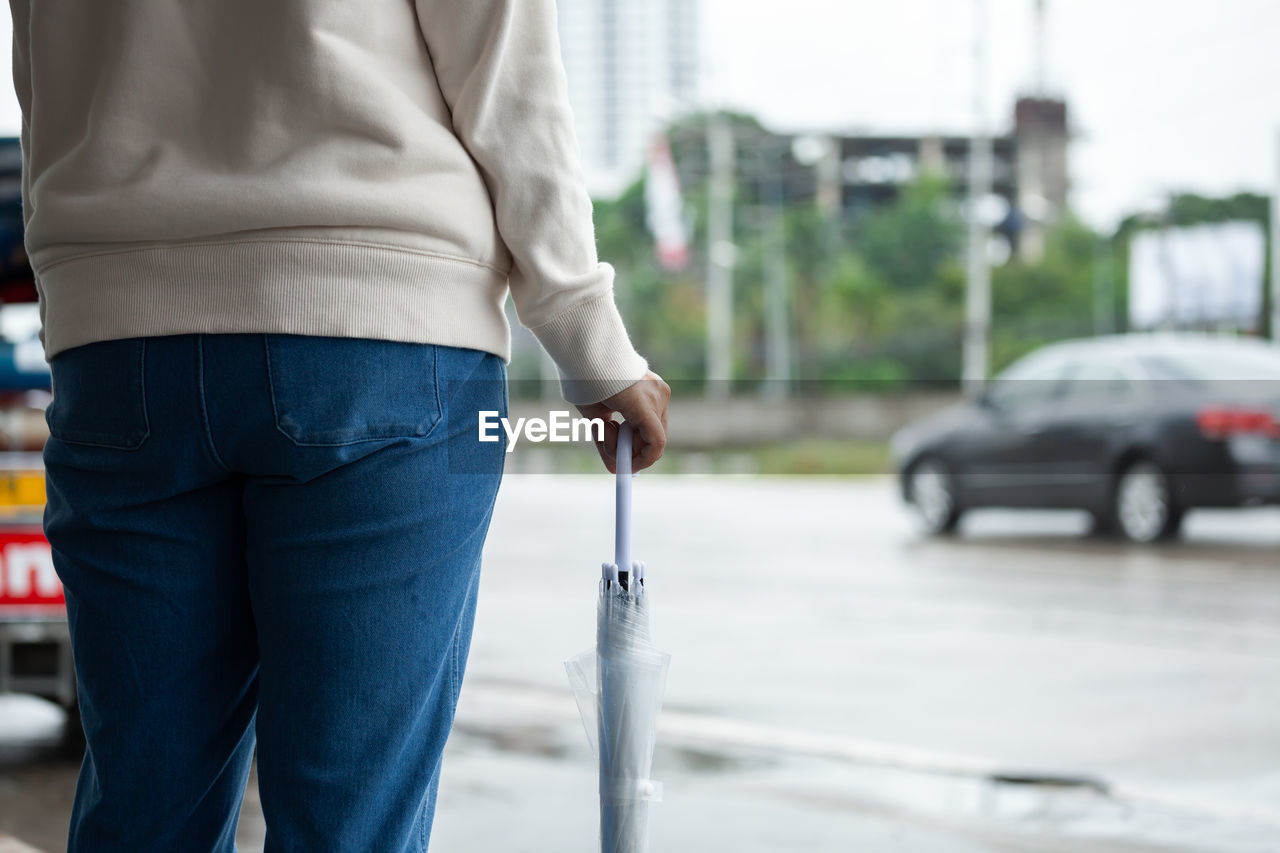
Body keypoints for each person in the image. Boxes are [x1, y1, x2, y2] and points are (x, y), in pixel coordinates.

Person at [9, 0, 670, 849]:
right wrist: (588, 336)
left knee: (143, 807)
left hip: (119, 341)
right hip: (380, 319)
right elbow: (505, 64)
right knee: (348, 825)